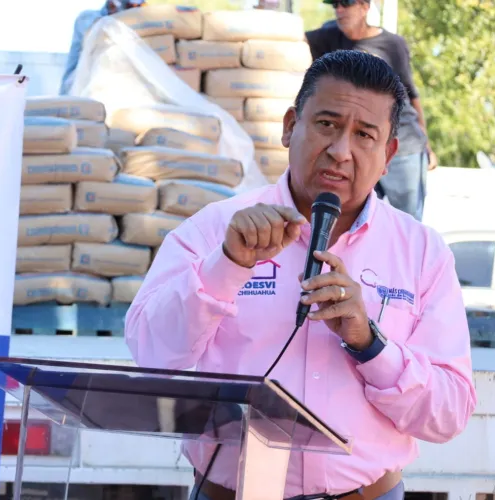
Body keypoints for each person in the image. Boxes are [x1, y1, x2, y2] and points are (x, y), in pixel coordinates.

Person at [124, 50, 476, 500]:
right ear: (291, 126)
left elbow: (449, 414)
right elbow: (151, 352)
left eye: (364, 135)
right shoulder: (216, 229)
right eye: (327, 124)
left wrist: (370, 344)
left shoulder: (422, 252)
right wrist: (226, 265)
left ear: (388, 153)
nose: (340, 151)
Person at [305, 0, 436, 221]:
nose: (339, 9)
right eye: (335, 4)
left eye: (346, 3)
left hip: (403, 146)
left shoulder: (392, 44)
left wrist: (427, 145)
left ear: (365, 7)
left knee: (407, 220)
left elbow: (412, 94)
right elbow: (288, 39)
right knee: (356, 219)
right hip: (359, 147)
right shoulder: (328, 36)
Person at [59, 0, 145, 95]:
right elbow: (71, 68)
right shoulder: (88, 19)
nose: (136, 7)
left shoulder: (146, 28)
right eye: (131, 5)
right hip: (90, 93)